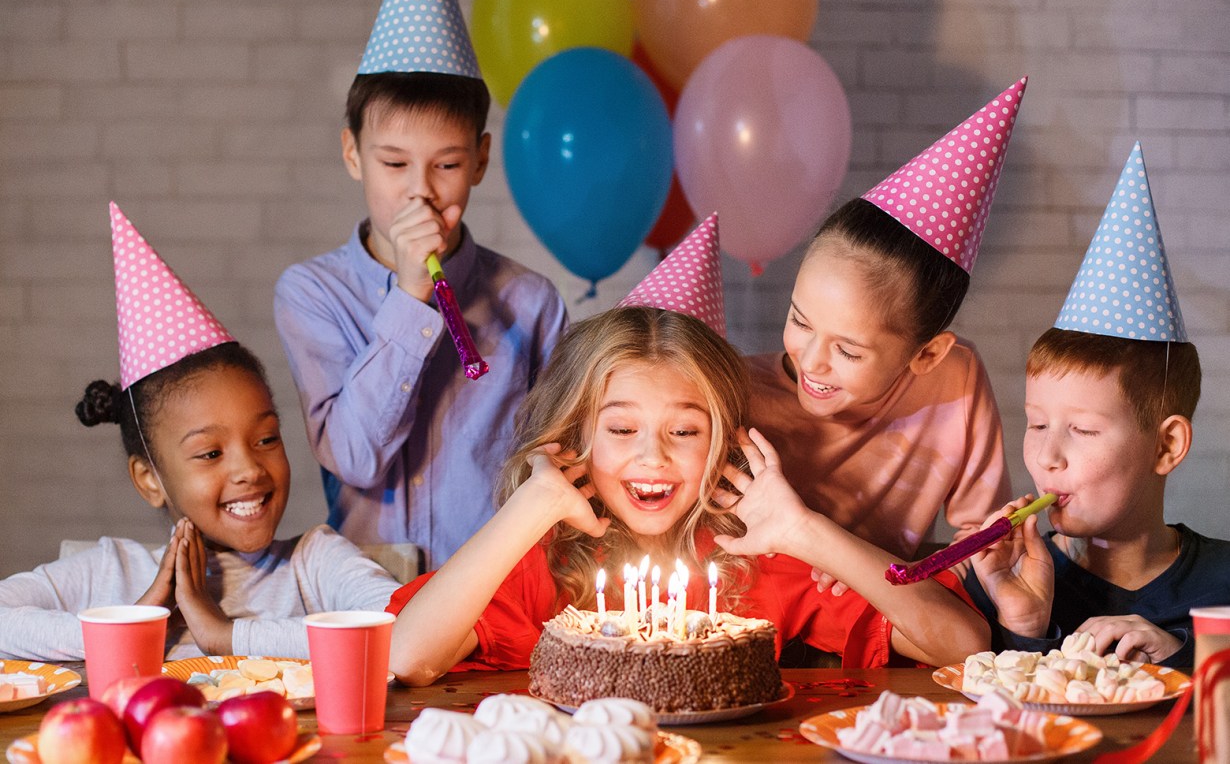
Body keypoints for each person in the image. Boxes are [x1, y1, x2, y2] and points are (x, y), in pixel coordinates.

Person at [384, 221, 989, 685]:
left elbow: (964, 646)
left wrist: (803, 530)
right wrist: (531, 503)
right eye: (621, 430)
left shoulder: (751, 562)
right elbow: (407, 659)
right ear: (575, 438)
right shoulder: (541, 562)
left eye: (684, 431)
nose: (654, 458)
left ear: (723, 444)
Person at [273, 0, 567, 571]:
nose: (420, 190)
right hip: (365, 592)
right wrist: (410, 297)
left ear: (481, 161)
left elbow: (557, 463)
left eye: (448, 165)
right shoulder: (311, 293)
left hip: (494, 592)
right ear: (352, 154)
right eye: (394, 163)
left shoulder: (531, 302)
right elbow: (354, 457)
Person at [0, 205, 400, 662]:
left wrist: (223, 635)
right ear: (150, 479)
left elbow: (400, 627)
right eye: (211, 453)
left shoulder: (314, 563)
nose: (249, 468)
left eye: (266, 439)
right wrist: (137, 619)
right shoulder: (111, 571)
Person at [966, 144, 1230, 667]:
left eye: (1082, 431)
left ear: (1167, 444)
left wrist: (1184, 657)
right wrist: (1023, 628)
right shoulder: (997, 580)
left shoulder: (1222, 581)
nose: (1046, 457)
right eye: (1037, 423)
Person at [746, 80, 1028, 570]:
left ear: (927, 354)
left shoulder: (955, 380)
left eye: (848, 351)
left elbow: (978, 544)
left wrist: (899, 576)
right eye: (799, 320)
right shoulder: (734, 390)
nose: (811, 360)